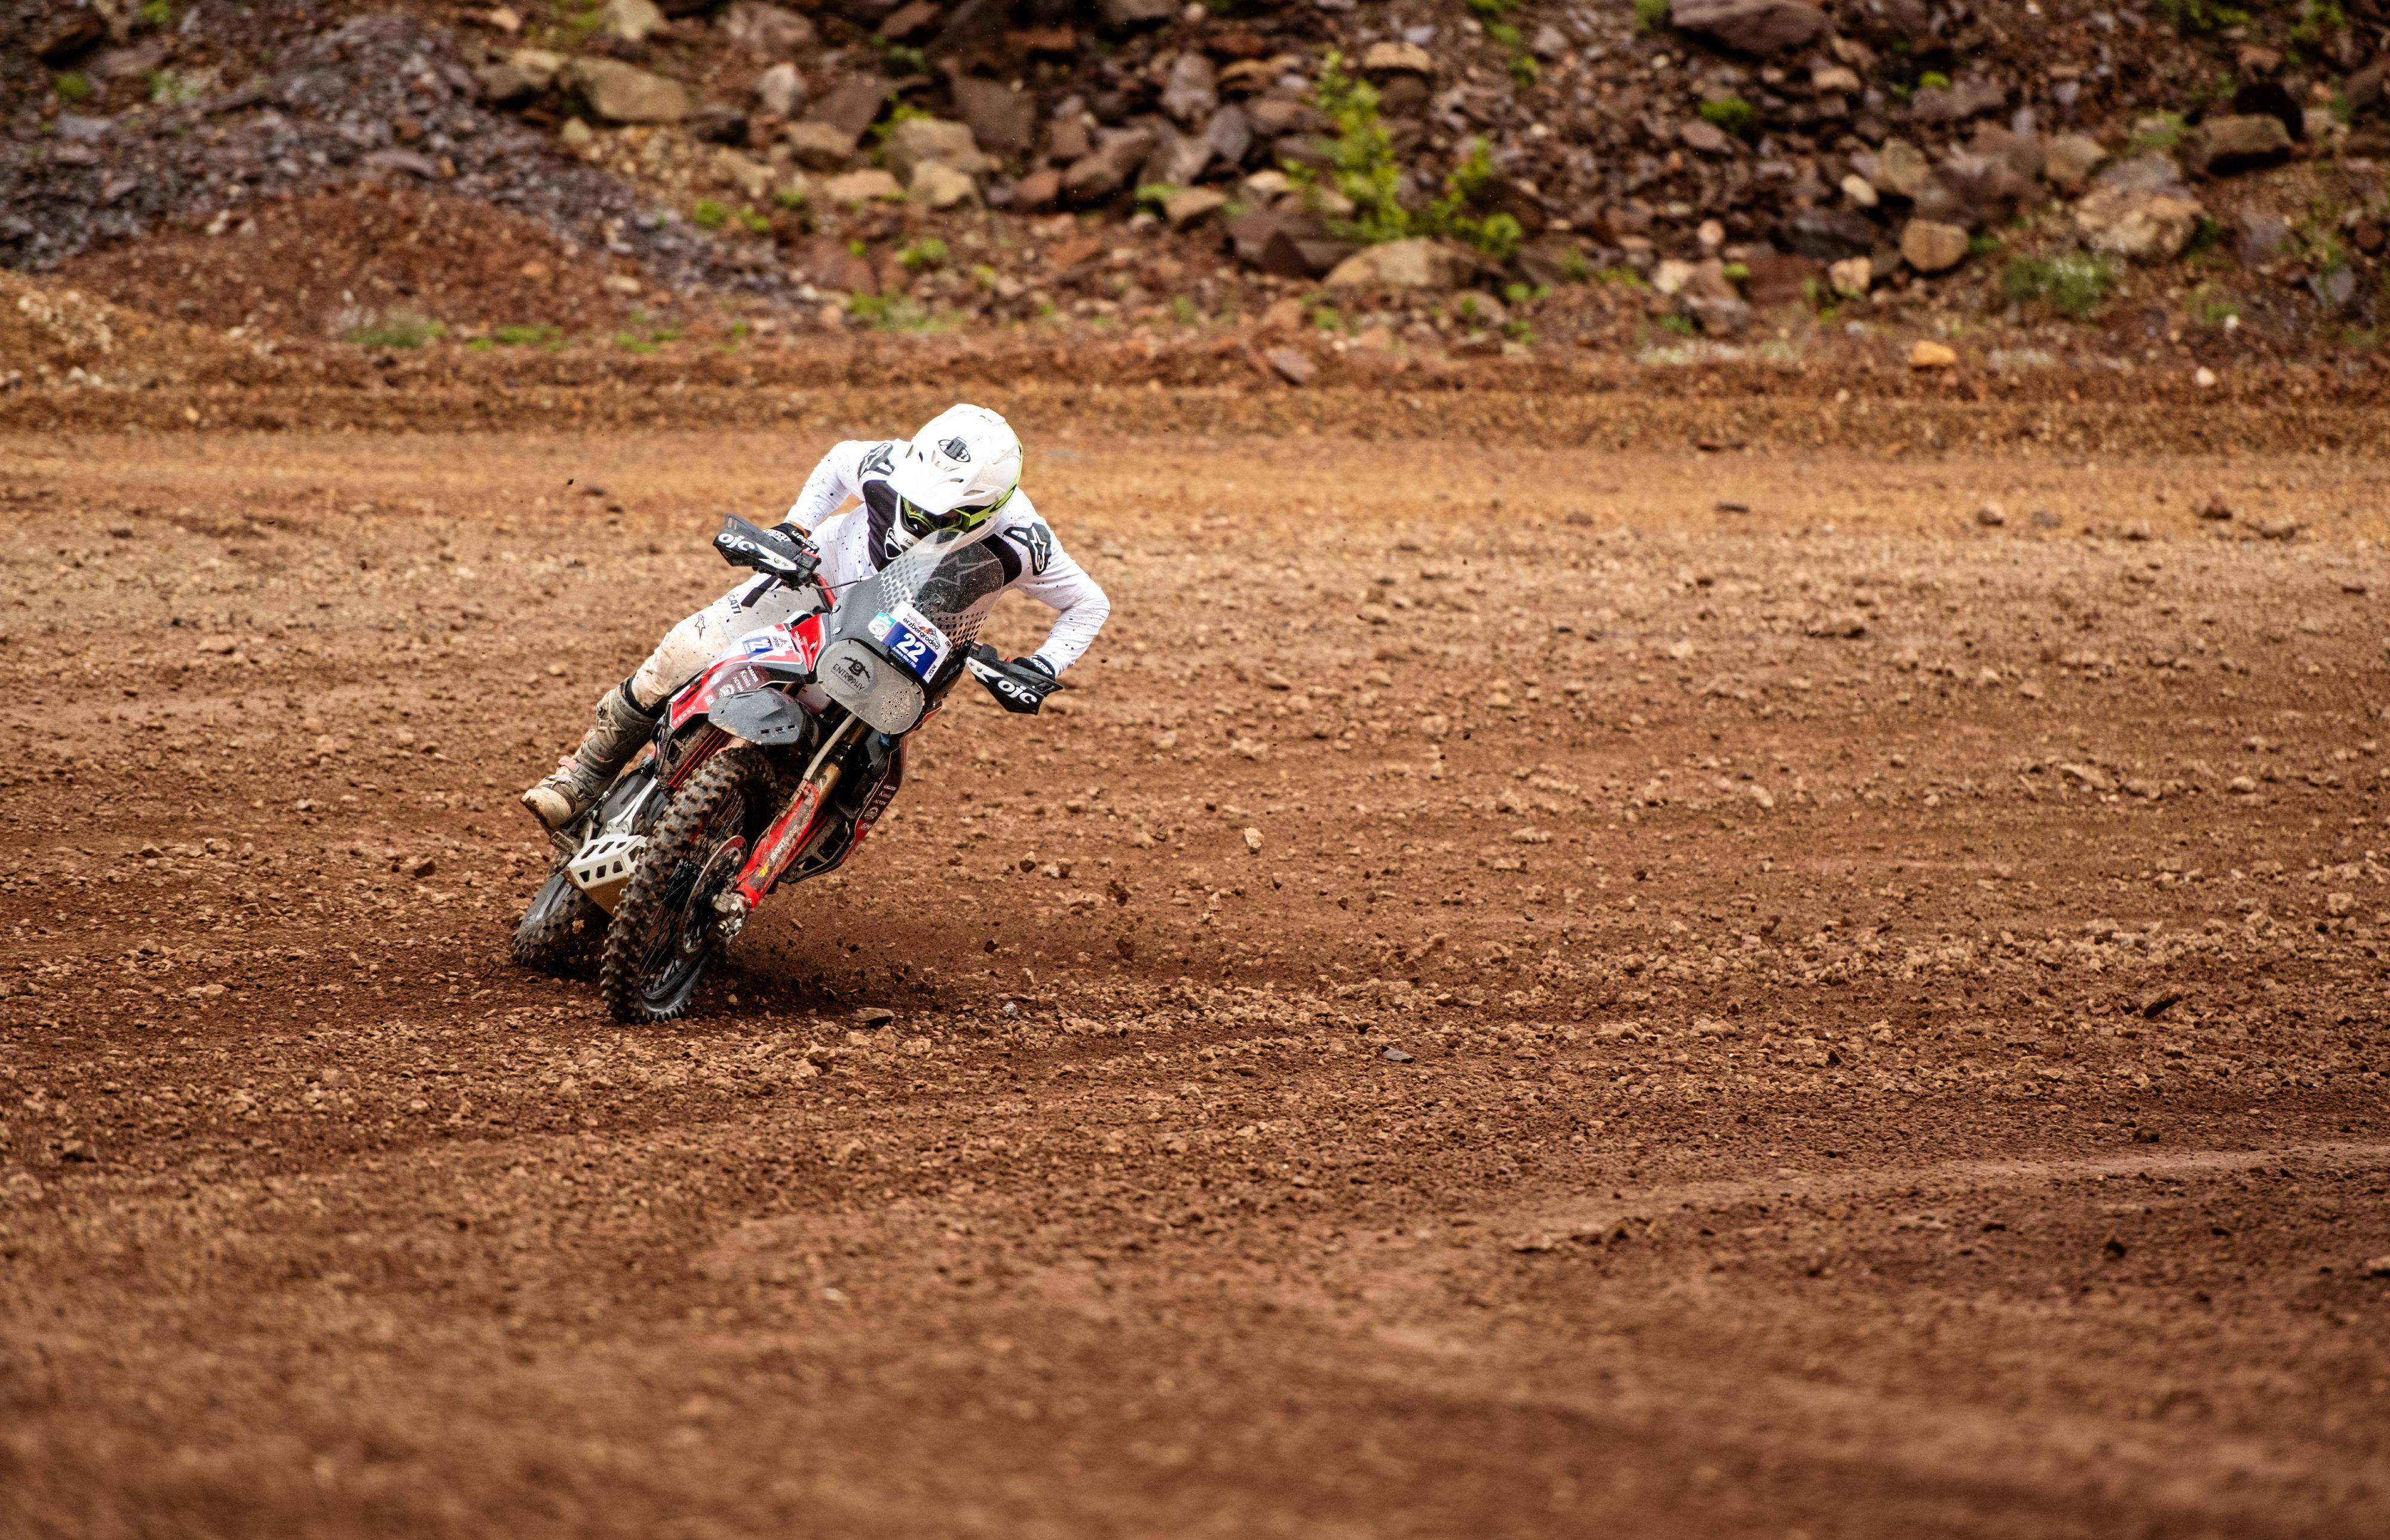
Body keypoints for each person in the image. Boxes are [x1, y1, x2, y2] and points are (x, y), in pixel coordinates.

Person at [521, 403, 1110, 830]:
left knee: (861, 766)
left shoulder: (1023, 542)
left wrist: (1042, 665)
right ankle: (584, 777)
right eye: (914, 499)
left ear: (988, 505)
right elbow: (835, 463)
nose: (916, 517)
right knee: (686, 650)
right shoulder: (887, 462)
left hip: (907, 647)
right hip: (815, 582)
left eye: (937, 513)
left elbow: (1088, 602)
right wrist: (794, 530)